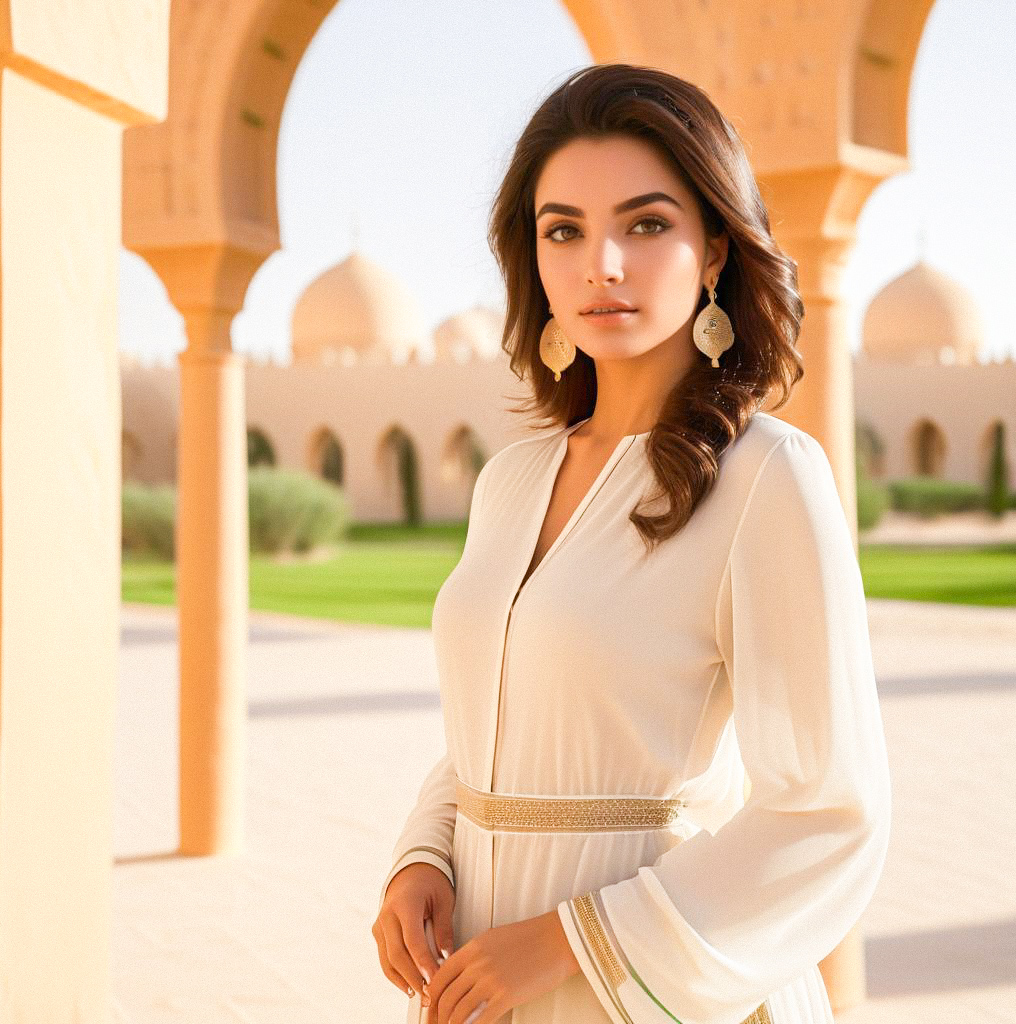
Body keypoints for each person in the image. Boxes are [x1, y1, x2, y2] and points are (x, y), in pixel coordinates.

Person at [371, 62, 891, 1024]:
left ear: (717, 248)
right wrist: (424, 855)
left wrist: (568, 943)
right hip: (480, 980)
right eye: (563, 229)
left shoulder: (767, 475)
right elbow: (499, 722)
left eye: (646, 224)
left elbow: (831, 809)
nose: (600, 264)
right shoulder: (511, 480)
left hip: (647, 989)